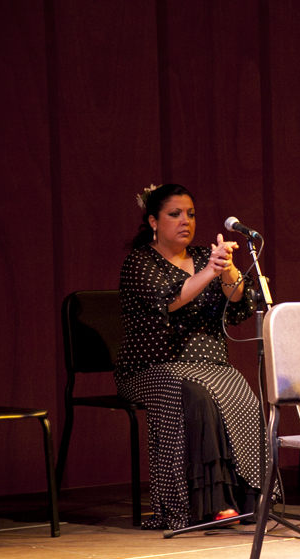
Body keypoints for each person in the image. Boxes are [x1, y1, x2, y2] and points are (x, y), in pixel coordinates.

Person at [116, 183, 262, 530]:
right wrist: (210, 271)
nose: (186, 221)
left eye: (191, 214)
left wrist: (227, 270)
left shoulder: (202, 257)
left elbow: (238, 302)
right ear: (153, 221)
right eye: (175, 214)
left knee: (238, 388)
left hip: (209, 365)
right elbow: (168, 300)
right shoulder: (139, 262)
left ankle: (249, 499)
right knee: (195, 395)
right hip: (151, 368)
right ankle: (211, 504)